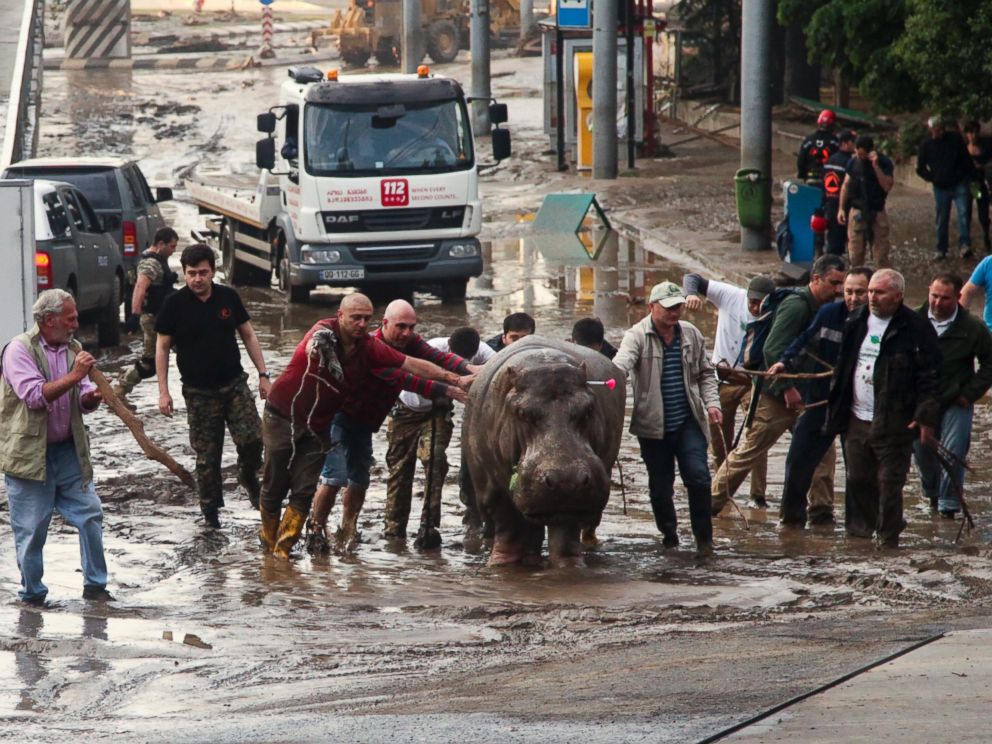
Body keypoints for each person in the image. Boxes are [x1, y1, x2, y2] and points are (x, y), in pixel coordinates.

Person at [258, 294, 472, 559]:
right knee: (284, 483)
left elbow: (414, 363)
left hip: (332, 423)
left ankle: (289, 552)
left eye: (365, 319)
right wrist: (452, 388)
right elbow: (314, 341)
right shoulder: (327, 331)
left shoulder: (370, 347)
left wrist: (459, 376)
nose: (360, 324)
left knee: (315, 487)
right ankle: (276, 541)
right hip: (292, 414)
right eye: (355, 318)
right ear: (341, 316)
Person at [0, 289, 112, 606]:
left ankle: (96, 587)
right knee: (32, 531)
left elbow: (84, 393)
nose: (76, 323)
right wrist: (76, 376)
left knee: (91, 515)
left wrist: (89, 397)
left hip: (68, 453)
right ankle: (32, 597)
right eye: (71, 317)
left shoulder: (72, 348)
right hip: (28, 458)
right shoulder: (18, 351)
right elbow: (35, 396)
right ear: (50, 320)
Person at [711, 255, 846, 514]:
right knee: (748, 452)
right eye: (834, 283)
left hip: (810, 396)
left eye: (841, 284)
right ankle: (709, 506)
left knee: (824, 454)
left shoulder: (827, 309)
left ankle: (821, 513)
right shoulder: (796, 306)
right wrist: (787, 389)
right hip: (776, 396)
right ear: (815, 279)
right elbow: (773, 349)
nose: (838, 290)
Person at [155, 244, 270, 528]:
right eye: (191, 273)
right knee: (207, 458)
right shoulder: (174, 304)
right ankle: (211, 516)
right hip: (198, 392)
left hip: (234, 384)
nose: (197, 279)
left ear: (213, 272)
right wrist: (163, 391)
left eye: (202, 273)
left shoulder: (227, 297)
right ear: (183, 273)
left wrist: (264, 374)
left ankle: (247, 474)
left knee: (254, 439)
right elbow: (162, 347)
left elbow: (249, 335)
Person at [824, 269, 940, 547]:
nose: (872, 298)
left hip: (895, 421)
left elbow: (931, 376)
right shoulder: (856, 320)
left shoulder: (917, 328)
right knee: (858, 479)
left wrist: (925, 415)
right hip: (856, 417)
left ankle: (888, 542)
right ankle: (876, 530)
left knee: (890, 484)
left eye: (879, 292)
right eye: (870, 292)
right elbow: (843, 368)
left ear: (898, 296)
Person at [613, 281, 721, 558]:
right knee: (660, 489)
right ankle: (670, 535)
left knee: (699, 478)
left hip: (688, 420)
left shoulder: (691, 334)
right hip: (653, 427)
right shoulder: (636, 336)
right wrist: (610, 380)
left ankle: (704, 541)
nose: (675, 313)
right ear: (652, 307)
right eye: (669, 307)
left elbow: (706, 373)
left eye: (678, 307)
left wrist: (712, 403)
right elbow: (621, 365)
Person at [768, 266, 873, 527]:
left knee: (859, 473)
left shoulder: (881, 324)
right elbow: (804, 342)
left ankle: (859, 530)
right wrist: (785, 364)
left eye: (860, 292)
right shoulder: (829, 314)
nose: (853, 298)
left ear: (871, 293)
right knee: (798, 462)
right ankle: (791, 523)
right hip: (821, 401)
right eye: (848, 292)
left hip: (859, 408)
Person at [384, 325, 494, 545]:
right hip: (405, 410)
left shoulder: (484, 353)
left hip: (437, 411)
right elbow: (406, 377)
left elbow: (502, 366)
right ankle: (394, 531)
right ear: (449, 348)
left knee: (434, 463)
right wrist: (450, 384)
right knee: (399, 470)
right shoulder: (431, 349)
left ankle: (428, 528)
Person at [683, 272, 774, 505]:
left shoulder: (777, 310)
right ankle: (723, 491)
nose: (755, 307)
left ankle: (758, 495)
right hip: (722, 380)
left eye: (760, 304)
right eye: (752, 302)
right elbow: (693, 277)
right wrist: (691, 294)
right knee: (719, 438)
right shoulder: (731, 296)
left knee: (757, 435)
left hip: (752, 382)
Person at [912, 273, 992, 517]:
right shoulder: (912, 320)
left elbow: (989, 363)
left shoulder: (972, 327)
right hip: (920, 400)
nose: (937, 303)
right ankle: (933, 495)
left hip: (956, 399)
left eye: (945, 299)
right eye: (934, 296)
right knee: (922, 450)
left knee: (954, 450)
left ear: (958, 297)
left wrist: (970, 394)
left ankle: (949, 506)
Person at [115, 227, 179, 400]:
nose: (173, 251)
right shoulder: (150, 263)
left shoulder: (158, 260)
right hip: (153, 319)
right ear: (160, 244)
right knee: (150, 363)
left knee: (187, 351)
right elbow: (140, 288)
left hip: (163, 317)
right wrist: (134, 316)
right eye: (172, 247)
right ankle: (119, 391)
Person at [917, 117, 974, 260]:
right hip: (941, 186)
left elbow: (966, 158)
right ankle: (941, 248)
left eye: (938, 129)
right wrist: (933, 178)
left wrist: (970, 176)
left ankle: (964, 245)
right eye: (934, 129)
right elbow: (920, 168)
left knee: (964, 214)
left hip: (959, 181)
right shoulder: (926, 145)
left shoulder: (954, 139)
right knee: (942, 218)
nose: (936, 132)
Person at [838, 135, 895, 268]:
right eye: (857, 153)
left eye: (862, 154)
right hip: (857, 210)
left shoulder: (884, 162)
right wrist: (841, 208)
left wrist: (876, 167)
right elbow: (846, 185)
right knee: (855, 253)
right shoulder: (853, 162)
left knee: (881, 254)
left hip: (877, 210)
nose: (860, 157)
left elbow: (887, 186)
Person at [822, 130, 857, 256]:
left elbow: (824, 183)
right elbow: (850, 186)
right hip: (844, 207)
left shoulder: (830, 160)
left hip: (830, 204)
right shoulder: (850, 162)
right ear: (845, 143)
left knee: (833, 242)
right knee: (845, 243)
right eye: (853, 142)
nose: (855, 145)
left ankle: (831, 266)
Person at [963, 121, 992, 255]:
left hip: (980, 183)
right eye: (970, 133)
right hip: (968, 183)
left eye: (975, 132)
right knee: (965, 213)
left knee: (983, 213)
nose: (973, 135)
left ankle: (986, 237)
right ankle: (966, 242)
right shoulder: (963, 148)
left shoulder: (986, 146)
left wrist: (983, 166)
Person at [796, 109, 839, 186]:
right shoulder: (835, 141)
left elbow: (801, 160)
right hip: (829, 178)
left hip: (811, 177)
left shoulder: (808, 140)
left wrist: (802, 175)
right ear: (833, 125)